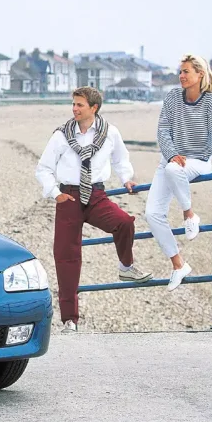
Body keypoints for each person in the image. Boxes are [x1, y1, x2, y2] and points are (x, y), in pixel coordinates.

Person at [36, 86, 152, 332]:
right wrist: (55, 194)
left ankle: (126, 267)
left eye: (79, 105)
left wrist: (127, 179)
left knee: (124, 222)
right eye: (74, 104)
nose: (74, 109)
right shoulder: (61, 135)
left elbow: (121, 160)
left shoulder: (110, 133)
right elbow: (43, 168)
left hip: (97, 195)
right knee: (66, 258)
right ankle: (70, 320)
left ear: (94, 108)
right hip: (69, 196)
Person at [145, 54, 212, 290]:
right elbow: (163, 130)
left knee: (175, 169)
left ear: (200, 75)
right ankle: (178, 265)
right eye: (180, 71)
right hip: (171, 159)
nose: (181, 76)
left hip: (199, 160)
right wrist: (172, 153)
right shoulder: (172, 97)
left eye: (186, 71)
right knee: (152, 214)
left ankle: (189, 215)